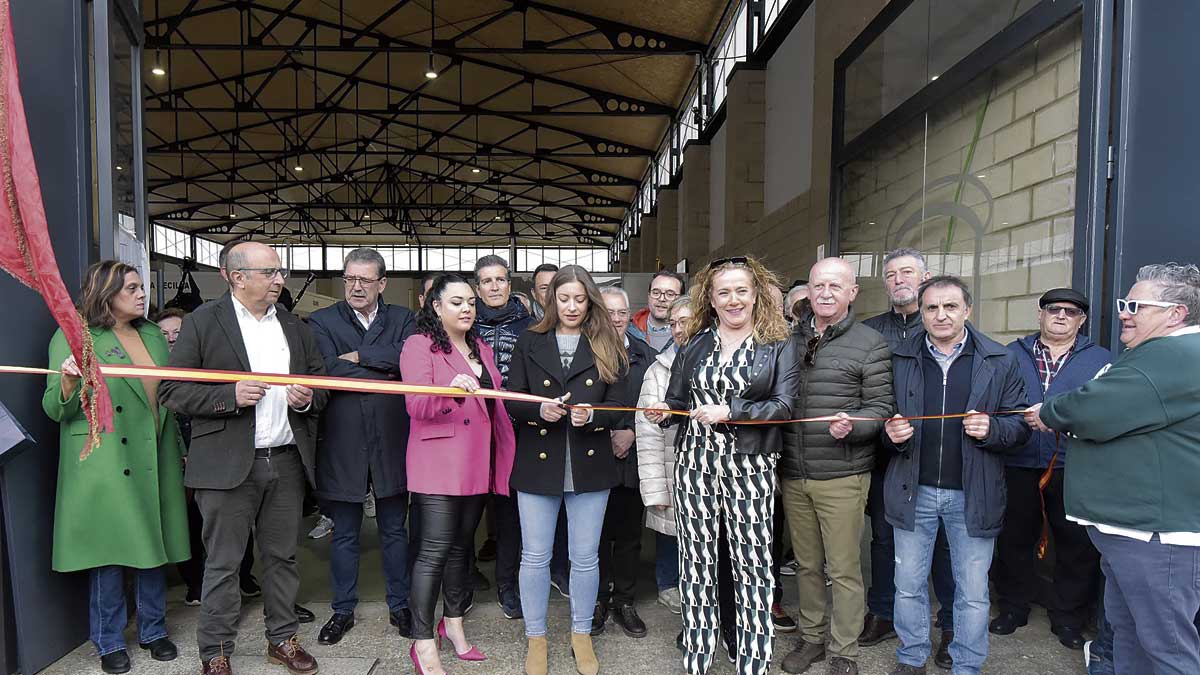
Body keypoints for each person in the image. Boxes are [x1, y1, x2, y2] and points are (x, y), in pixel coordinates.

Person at [160, 242, 328, 675]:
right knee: (223, 563)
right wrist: (228, 397)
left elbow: (321, 382)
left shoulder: (293, 326)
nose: (280, 279)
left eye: (280, 270)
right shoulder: (201, 323)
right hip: (225, 465)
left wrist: (308, 399)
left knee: (283, 558)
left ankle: (283, 640)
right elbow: (172, 391)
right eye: (270, 271)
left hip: (286, 460)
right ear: (236, 277)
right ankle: (215, 652)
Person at [1029, 262, 1200, 675]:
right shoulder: (1159, 356)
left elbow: (1092, 408)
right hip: (1132, 531)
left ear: (1174, 313)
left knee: (1168, 650)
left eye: (1135, 305)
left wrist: (1051, 412)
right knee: (1129, 637)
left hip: (1156, 538)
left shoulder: (1171, 355)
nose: (1124, 312)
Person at [645, 255, 801, 675]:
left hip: (750, 466)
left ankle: (753, 660)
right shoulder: (696, 341)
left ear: (755, 296)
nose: (733, 300)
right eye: (723, 293)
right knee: (695, 562)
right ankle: (697, 654)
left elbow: (784, 407)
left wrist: (730, 410)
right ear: (710, 300)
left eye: (741, 291)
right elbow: (678, 400)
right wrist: (664, 410)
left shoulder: (779, 342)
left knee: (752, 564)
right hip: (695, 464)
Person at [43, 261, 189, 674]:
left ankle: (153, 630)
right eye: (133, 288)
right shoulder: (74, 336)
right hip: (106, 457)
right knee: (110, 552)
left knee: (153, 544)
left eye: (142, 287)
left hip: (154, 453)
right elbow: (54, 407)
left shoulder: (152, 336)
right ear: (107, 294)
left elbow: (167, 399)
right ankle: (108, 640)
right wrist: (69, 383)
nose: (143, 294)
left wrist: (177, 445)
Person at [883, 276, 1030, 675]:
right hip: (913, 488)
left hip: (974, 492)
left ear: (967, 310)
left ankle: (967, 664)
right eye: (931, 308)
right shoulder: (899, 357)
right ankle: (912, 657)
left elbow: (1020, 426)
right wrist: (891, 434)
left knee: (973, 592)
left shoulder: (1000, 359)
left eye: (950, 306)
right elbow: (879, 415)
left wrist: (993, 429)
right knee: (909, 585)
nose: (941, 315)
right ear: (921, 313)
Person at [505, 265, 631, 675]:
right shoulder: (529, 340)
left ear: (589, 299)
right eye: (564, 298)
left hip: (588, 463)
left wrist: (593, 415)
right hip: (538, 462)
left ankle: (581, 634)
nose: (572, 306)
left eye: (580, 298)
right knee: (535, 557)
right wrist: (537, 408)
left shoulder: (606, 340)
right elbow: (511, 399)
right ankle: (536, 638)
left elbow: (620, 405)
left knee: (585, 557)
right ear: (550, 299)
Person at [779, 258, 895, 675]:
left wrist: (856, 425)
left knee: (843, 568)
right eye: (818, 285)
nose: (825, 293)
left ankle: (844, 649)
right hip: (793, 471)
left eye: (835, 285)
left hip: (843, 473)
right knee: (807, 565)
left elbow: (881, 407)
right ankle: (811, 638)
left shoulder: (870, 343)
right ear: (808, 291)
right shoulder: (787, 339)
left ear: (852, 293)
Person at [400, 273, 517, 675]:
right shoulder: (419, 346)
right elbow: (416, 405)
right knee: (432, 553)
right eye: (456, 302)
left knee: (460, 551)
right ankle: (422, 642)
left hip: (474, 463)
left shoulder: (480, 347)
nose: (467, 308)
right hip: (437, 464)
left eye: (471, 301)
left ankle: (453, 626)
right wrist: (451, 389)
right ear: (435, 307)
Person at [307, 248, 418, 645]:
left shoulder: (405, 319)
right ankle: (342, 610)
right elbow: (324, 369)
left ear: (382, 283)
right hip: (343, 439)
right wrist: (381, 365)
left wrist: (358, 355)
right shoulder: (321, 320)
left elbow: (409, 360)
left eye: (364, 280)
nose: (355, 287)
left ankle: (400, 605)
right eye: (349, 279)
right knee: (345, 533)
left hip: (392, 437)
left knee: (394, 529)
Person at [991, 288, 1108, 650]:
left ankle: (1068, 617)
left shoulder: (1101, 360)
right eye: (1053, 309)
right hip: (1018, 460)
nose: (1061, 316)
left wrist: (1063, 420)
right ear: (1040, 314)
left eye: (1071, 312)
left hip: (1074, 465)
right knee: (1013, 539)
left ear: (1081, 320)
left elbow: (1106, 411)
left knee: (1077, 544)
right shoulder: (1010, 354)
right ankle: (1012, 608)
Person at [860, 249, 956, 668]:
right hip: (885, 457)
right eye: (892, 274)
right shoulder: (869, 331)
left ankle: (950, 625)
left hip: (938, 455)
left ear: (926, 277)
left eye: (908, 272)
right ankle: (882, 613)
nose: (900, 280)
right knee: (884, 540)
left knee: (944, 546)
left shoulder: (943, 326)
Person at [472, 254, 533, 618]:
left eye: (500, 280)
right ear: (477, 288)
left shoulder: (531, 327)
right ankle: (463, 579)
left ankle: (508, 583)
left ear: (510, 284)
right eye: (487, 281)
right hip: (471, 430)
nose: (494, 287)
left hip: (517, 430)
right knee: (467, 510)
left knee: (511, 513)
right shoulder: (464, 324)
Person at [593, 287, 656, 638]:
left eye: (621, 313)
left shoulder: (646, 355)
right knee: (596, 536)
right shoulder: (586, 352)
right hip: (596, 457)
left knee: (630, 536)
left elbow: (656, 403)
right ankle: (600, 599)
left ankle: (625, 601)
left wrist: (630, 431)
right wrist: (607, 434)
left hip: (632, 459)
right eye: (609, 311)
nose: (615, 319)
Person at [636, 297, 694, 616]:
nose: (679, 329)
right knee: (669, 530)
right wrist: (655, 488)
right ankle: (668, 584)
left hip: (708, 472)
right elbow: (646, 435)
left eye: (686, 321)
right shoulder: (657, 371)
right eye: (674, 323)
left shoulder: (722, 361)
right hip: (671, 469)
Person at [629, 270, 685, 351]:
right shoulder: (629, 331)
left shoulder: (692, 334)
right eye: (656, 293)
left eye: (670, 294)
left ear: (681, 299)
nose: (661, 299)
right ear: (648, 295)